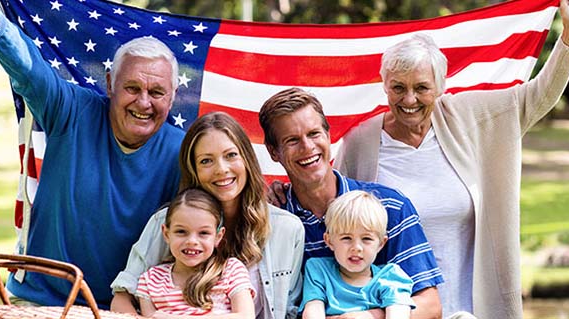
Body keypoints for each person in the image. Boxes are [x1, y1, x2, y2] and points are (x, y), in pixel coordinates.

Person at [332, 0, 569, 317]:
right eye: (398, 87)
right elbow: (331, 212)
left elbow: (537, 96)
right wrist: (284, 195)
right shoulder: (360, 143)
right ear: (384, 86)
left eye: (422, 87)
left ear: (440, 88)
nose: (409, 99)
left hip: (470, 309)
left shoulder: (467, 117)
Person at [0, 0, 185, 308]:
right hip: (40, 303)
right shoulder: (72, 111)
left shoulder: (184, 152)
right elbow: (27, 68)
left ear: (173, 97)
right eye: (132, 88)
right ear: (110, 84)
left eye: (157, 92)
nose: (143, 102)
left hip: (123, 312)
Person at [259, 87, 443, 319]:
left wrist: (364, 317)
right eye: (292, 140)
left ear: (328, 135)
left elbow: (430, 306)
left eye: (314, 134)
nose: (307, 147)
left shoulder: (389, 206)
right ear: (274, 152)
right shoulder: (272, 222)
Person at [111, 112, 305, 319]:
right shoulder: (165, 221)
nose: (221, 169)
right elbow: (122, 298)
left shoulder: (287, 229)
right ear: (193, 169)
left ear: (247, 159)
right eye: (206, 161)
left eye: (231, 155)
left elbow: (291, 312)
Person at [136, 187, 255, 318]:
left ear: (218, 237)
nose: (192, 241)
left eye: (203, 233)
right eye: (181, 232)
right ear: (166, 233)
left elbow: (245, 316)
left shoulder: (231, 270)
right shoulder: (150, 280)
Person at [301, 190, 415, 319]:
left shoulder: (390, 277)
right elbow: (313, 309)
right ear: (329, 241)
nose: (356, 248)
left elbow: (398, 313)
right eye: (346, 238)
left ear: (381, 244)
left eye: (366, 239)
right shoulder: (319, 270)